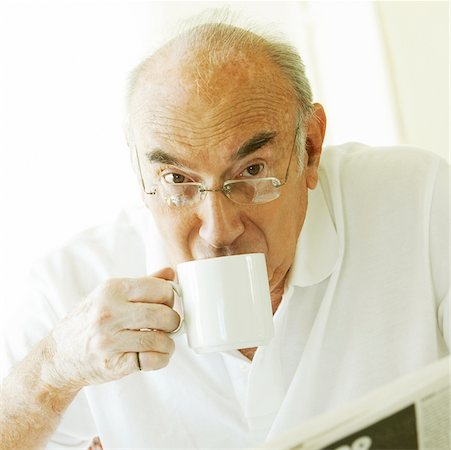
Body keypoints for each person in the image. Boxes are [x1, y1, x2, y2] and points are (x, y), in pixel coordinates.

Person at [1, 18, 449, 450]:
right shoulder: (70, 287)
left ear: (309, 148)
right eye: (178, 180)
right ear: (140, 174)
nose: (219, 230)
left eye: (252, 171)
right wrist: (52, 374)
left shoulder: (418, 201)